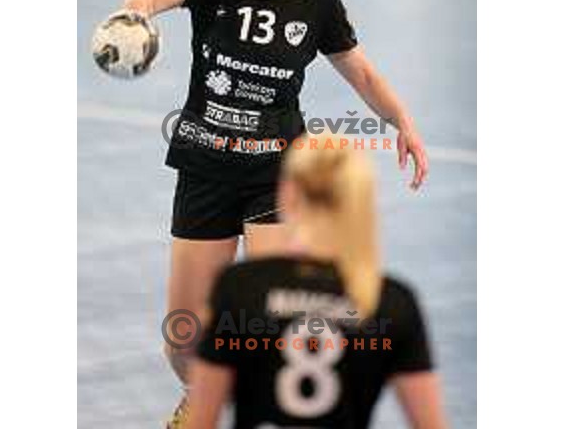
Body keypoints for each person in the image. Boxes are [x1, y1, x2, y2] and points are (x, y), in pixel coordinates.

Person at [116, 0, 428, 424]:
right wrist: (135, 9)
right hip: (205, 168)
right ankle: (204, 394)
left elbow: (362, 73)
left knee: (271, 316)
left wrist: (401, 120)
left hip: (275, 173)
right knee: (181, 337)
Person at [184, 133, 447, 428]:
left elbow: (201, 423)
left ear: (286, 194)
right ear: (361, 201)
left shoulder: (240, 288)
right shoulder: (390, 302)